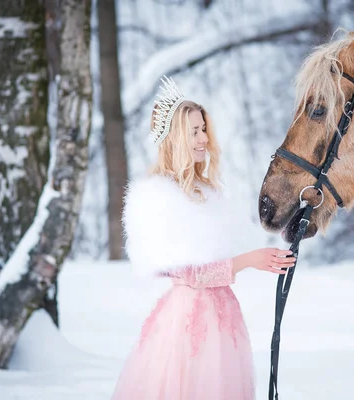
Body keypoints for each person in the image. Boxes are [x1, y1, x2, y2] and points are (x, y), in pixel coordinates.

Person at [110, 76, 295, 400]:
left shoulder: (210, 191)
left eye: (204, 129)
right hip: (187, 324)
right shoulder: (157, 196)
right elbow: (188, 273)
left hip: (224, 320)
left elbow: (233, 247)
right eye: (194, 131)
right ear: (175, 137)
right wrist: (250, 261)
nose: (203, 138)